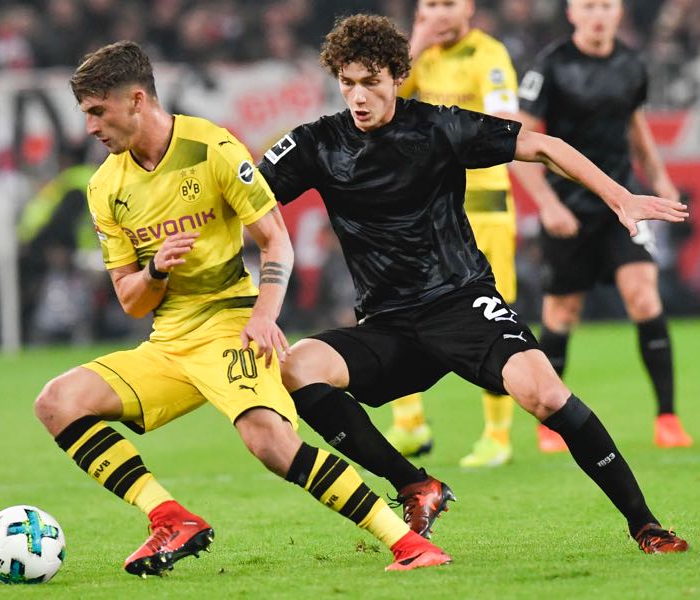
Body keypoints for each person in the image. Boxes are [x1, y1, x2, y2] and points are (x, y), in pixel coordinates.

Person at [259, 14, 689, 554]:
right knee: (298, 367)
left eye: (371, 81)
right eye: (348, 82)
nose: (359, 96)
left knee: (546, 392)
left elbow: (546, 146)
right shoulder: (317, 143)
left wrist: (619, 196)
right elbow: (244, 193)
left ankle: (645, 524)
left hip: (462, 302)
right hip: (389, 325)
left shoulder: (438, 126)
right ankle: (416, 485)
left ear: (397, 76)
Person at [33, 41, 451, 577]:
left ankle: (407, 544)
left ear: (136, 100)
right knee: (57, 402)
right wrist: (156, 269)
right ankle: (169, 518)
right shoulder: (104, 186)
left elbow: (276, 240)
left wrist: (264, 315)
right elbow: (130, 299)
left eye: (97, 111)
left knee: (270, 442)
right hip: (168, 343)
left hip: (231, 324)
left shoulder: (212, 148)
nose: (89, 127)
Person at [513, 0, 692, 451]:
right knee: (562, 315)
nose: (598, 14)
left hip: (622, 206)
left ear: (618, 14)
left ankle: (667, 418)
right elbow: (522, 141)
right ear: (573, 12)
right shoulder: (550, 66)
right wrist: (549, 204)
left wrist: (661, 178)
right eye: (588, 6)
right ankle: (549, 422)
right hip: (570, 210)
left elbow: (637, 129)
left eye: (606, 6)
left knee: (643, 295)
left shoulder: (632, 64)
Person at [385, 0, 521, 468]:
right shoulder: (420, 55)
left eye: (448, 3)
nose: (440, 12)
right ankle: (408, 423)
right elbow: (381, 103)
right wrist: (416, 44)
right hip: (428, 205)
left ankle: (497, 435)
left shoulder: (490, 55)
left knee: (494, 311)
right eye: (430, 4)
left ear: (470, 7)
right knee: (399, 302)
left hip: (484, 207)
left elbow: (507, 123)